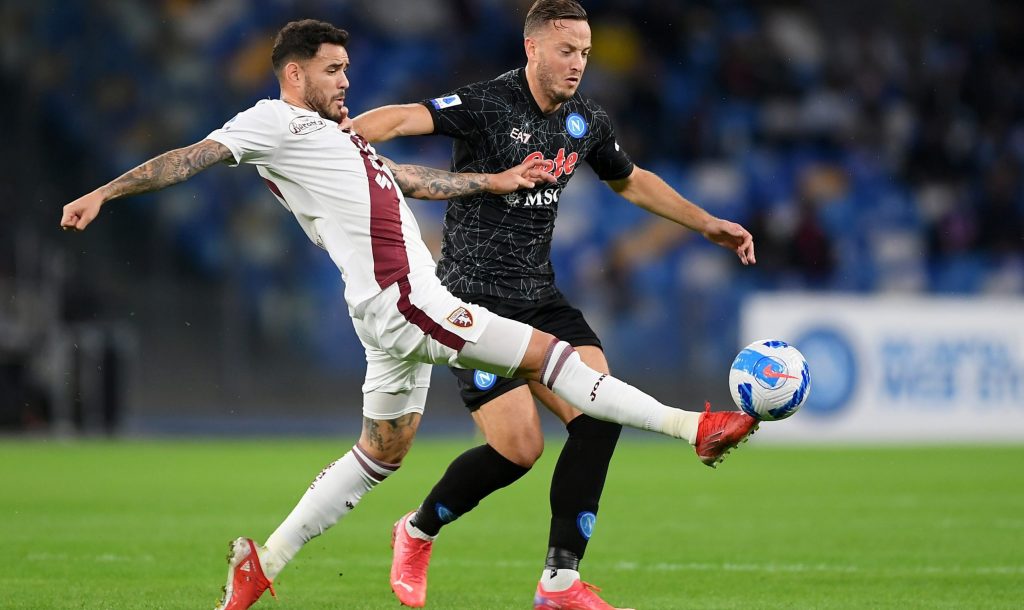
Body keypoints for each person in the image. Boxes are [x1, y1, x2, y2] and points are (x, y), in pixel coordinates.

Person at [60, 19, 757, 610]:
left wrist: (491, 180)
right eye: (333, 71)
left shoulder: (335, 138)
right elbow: (192, 158)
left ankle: (261, 566)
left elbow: (411, 180)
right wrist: (105, 192)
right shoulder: (272, 122)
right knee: (551, 358)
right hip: (407, 302)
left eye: (348, 69)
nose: (346, 83)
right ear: (294, 75)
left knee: (379, 454)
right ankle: (693, 427)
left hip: (393, 314)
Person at [351, 1, 758, 608]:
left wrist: (705, 224)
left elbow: (629, 178)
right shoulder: (488, 104)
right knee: (519, 450)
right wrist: (343, 139)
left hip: (539, 297)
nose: (578, 64)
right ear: (533, 48)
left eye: (586, 53)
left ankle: (559, 583)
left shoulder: (583, 121)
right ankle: (415, 531)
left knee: (599, 416)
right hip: (470, 305)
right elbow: (407, 118)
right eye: (567, 51)